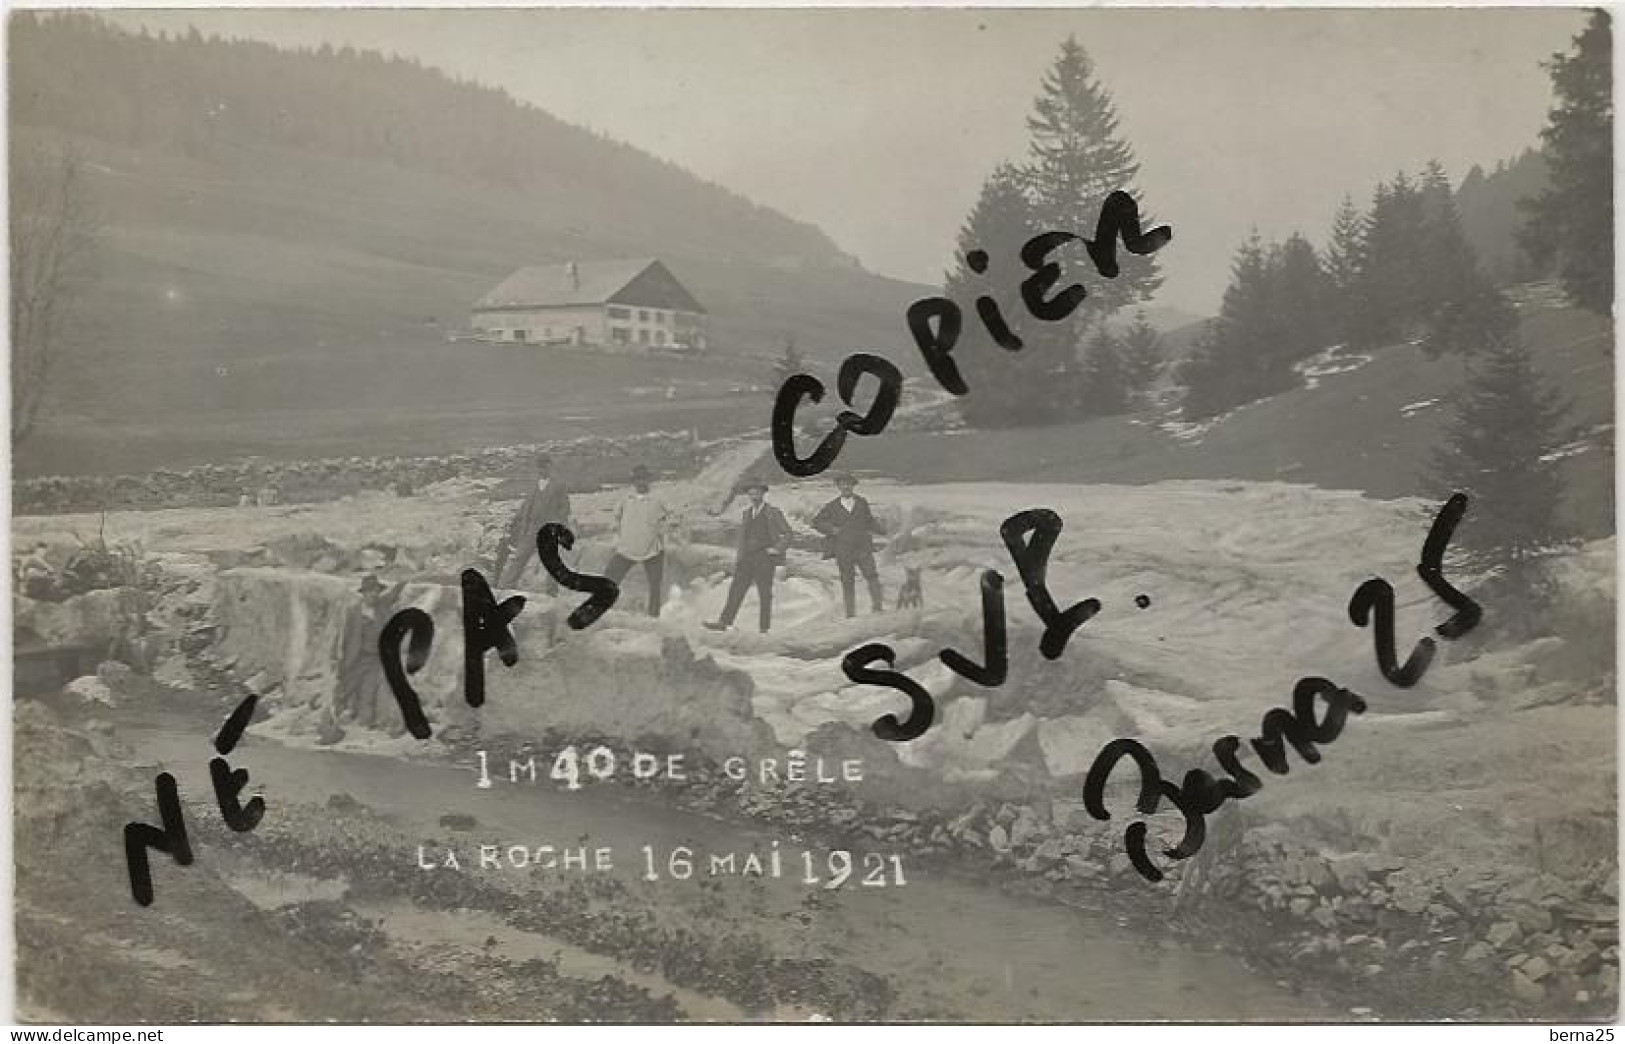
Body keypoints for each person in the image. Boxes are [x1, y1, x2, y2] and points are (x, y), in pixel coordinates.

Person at [704, 479, 793, 634]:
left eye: (756, 492)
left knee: (764, 593)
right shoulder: (746, 513)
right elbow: (743, 538)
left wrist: (777, 549)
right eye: (751, 493)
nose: (753, 495)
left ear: (763, 493)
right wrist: (740, 558)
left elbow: (788, 533)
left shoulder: (773, 512)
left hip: (764, 558)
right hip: (747, 558)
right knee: (736, 590)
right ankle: (724, 622)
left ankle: (764, 629)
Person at [811, 471, 885, 618]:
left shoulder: (862, 502)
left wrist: (883, 530)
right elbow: (817, 522)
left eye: (849, 484)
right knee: (847, 582)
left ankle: (878, 609)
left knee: (872, 577)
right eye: (843, 484)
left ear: (853, 486)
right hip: (843, 550)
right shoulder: (831, 506)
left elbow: (869, 521)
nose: (846, 487)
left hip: (863, 547)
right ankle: (850, 615)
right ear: (838, 487)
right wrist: (832, 529)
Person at [493, 454, 572, 591]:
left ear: (550, 466)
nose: (541, 470)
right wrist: (515, 522)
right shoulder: (534, 486)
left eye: (544, 466)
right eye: (539, 467)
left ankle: (551, 593)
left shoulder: (559, 486)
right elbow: (525, 507)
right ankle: (506, 588)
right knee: (519, 557)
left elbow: (564, 509)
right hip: (531, 529)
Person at [604, 465, 670, 617]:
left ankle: (653, 617)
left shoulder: (659, 498)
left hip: (652, 549)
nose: (641, 482)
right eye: (638, 479)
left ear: (648, 480)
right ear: (633, 481)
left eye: (644, 479)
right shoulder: (625, 498)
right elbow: (615, 518)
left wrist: (662, 530)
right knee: (609, 578)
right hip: (627, 547)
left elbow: (674, 516)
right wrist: (616, 535)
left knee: (655, 586)